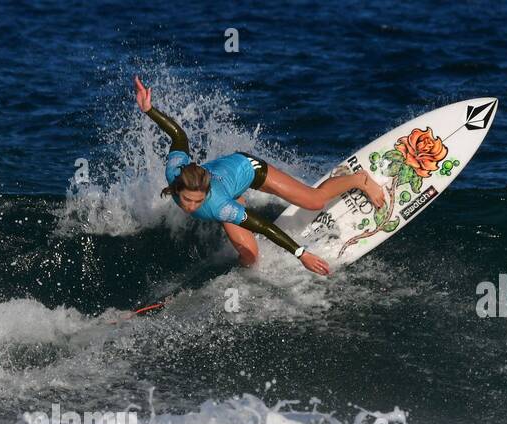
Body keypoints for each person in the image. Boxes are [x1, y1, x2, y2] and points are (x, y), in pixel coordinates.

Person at [134, 75, 385, 275]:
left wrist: (302, 254)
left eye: (197, 202)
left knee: (315, 201)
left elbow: (263, 226)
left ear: (207, 195)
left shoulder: (221, 207)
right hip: (226, 185)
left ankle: (358, 179)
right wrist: (148, 110)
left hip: (248, 169)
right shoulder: (175, 170)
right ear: (178, 187)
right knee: (250, 257)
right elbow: (179, 136)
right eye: (188, 200)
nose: (190, 207)